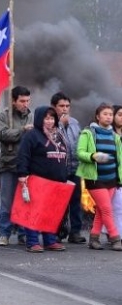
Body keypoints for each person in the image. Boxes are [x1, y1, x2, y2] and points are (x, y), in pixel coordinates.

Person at [17, 106, 68, 253]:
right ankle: (32, 242)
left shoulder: (58, 135)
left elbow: (65, 155)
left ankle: (50, 241)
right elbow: (23, 155)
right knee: (34, 212)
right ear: (40, 119)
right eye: (46, 118)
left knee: (51, 213)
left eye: (52, 118)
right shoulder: (32, 135)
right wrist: (22, 174)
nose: (50, 121)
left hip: (56, 181)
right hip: (37, 180)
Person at [76, 103, 122, 251]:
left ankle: (94, 238)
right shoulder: (88, 133)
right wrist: (93, 156)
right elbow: (80, 152)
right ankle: (115, 238)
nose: (108, 117)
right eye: (105, 114)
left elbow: (119, 158)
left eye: (110, 114)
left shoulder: (115, 136)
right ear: (98, 116)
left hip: (111, 179)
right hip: (95, 179)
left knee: (102, 211)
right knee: (107, 209)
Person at [0, 86, 33, 246]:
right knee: (6, 202)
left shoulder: (31, 116)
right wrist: (22, 131)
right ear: (13, 101)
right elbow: (2, 134)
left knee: (25, 201)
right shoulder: (4, 116)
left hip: (27, 166)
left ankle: (23, 233)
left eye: (27, 101)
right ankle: (4, 233)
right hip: (9, 164)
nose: (25, 104)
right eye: (22, 101)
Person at [51, 92, 86, 244]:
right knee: (58, 202)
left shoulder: (75, 122)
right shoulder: (50, 122)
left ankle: (75, 232)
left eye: (67, 106)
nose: (65, 109)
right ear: (54, 107)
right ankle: (57, 232)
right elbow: (52, 140)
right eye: (61, 106)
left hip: (75, 168)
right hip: (58, 169)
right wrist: (60, 124)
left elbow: (77, 142)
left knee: (76, 201)